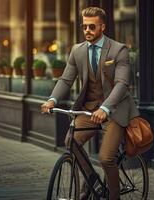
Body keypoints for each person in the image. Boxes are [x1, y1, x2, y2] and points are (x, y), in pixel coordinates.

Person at [41, 7, 139, 200]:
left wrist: (105, 108)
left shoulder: (119, 50)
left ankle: (114, 196)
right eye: (84, 26)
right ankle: (92, 180)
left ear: (102, 26)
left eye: (91, 26)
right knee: (71, 141)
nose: (87, 30)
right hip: (89, 110)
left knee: (105, 157)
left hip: (115, 110)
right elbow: (66, 80)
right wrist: (52, 99)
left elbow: (122, 84)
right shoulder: (77, 50)